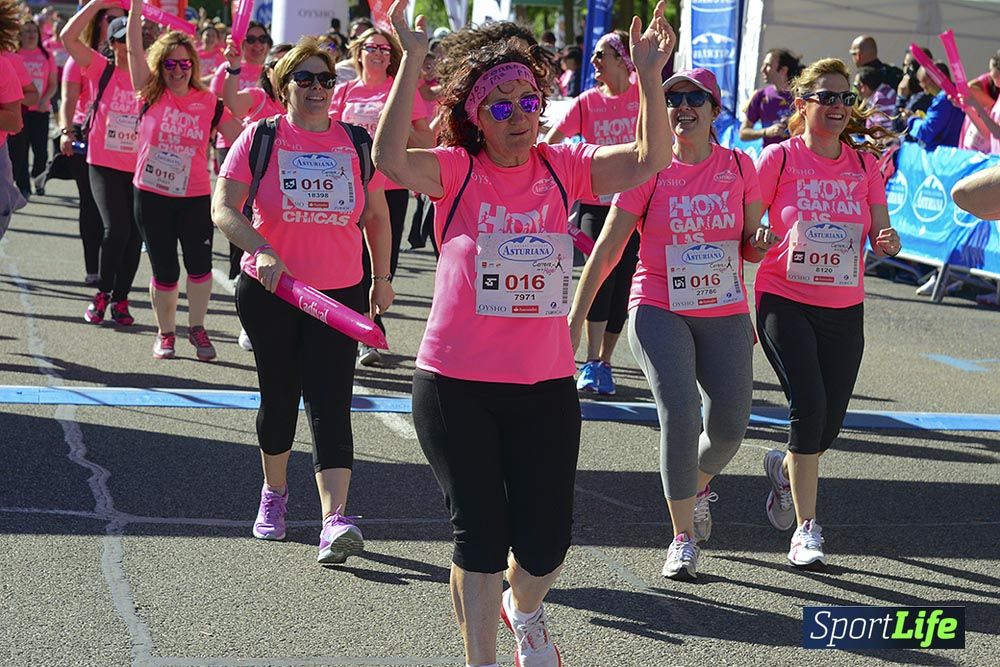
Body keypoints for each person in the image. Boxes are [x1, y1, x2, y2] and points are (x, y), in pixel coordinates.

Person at [374, 2, 675, 665]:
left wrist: (649, 76)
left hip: (543, 385)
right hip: (455, 383)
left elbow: (651, 156)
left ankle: (525, 607)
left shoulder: (562, 166)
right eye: (501, 106)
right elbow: (389, 157)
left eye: (528, 102)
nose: (518, 116)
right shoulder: (457, 170)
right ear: (476, 117)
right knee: (480, 539)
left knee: (545, 544)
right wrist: (413, 59)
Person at [570, 67, 776, 580]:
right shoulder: (650, 170)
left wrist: (761, 242)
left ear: (714, 109)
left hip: (723, 305)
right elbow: (608, 247)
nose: (683, 107)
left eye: (694, 98)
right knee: (680, 413)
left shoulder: (739, 165)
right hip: (657, 303)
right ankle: (682, 536)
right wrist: (574, 319)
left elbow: (750, 245)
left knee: (729, 426)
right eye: (673, 99)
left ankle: (696, 483)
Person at [213, 37, 394, 564]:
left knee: (332, 400)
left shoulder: (355, 141)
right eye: (306, 78)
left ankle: (334, 520)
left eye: (326, 79)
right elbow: (223, 208)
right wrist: (262, 249)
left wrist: (382, 278)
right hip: (273, 291)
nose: (318, 88)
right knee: (280, 395)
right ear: (283, 84)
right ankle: (274, 492)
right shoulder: (261, 136)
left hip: (339, 293)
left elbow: (376, 216)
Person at [754, 57, 900, 569]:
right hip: (784, 298)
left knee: (828, 424)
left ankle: (784, 469)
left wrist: (888, 241)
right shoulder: (779, 158)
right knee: (809, 404)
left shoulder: (864, 165)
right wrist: (757, 238)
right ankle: (806, 529)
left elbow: (881, 232)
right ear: (803, 103)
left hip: (843, 305)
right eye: (827, 97)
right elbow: (747, 226)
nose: (838, 106)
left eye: (845, 97)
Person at [125, 0, 242, 360]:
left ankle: (197, 328)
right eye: (170, 64)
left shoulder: (208, 101)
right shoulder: (149, 92)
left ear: (193, 65)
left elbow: (240, 140)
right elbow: (133, 50)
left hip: (194, 196)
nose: (177, 70)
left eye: (184, 64)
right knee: (165, 269)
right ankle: (165, 334)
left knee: (200, 267)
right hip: (151, 195)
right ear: (160, 66)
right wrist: (135, 9)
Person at [545, 29, 643, 396]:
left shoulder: (642, 98)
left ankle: (605, 360)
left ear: (622, 59)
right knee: (599, 275)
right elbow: (551, 142)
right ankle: (590, 360)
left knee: (622, 284)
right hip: (594, 205)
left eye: (602, 54)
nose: (594, 61)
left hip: (634, 206)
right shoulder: (587, 102)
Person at [330, 25, 434, 367]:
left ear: (392, 58)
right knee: (350, 259)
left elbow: (426, 140)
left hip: (390, 186)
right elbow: (327, 134)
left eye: (384, 49)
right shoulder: (344, 91)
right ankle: (364, 329)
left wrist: (394, 128)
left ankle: (369, 323)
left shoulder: (401, 90)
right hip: (346, 188)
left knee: (381, 264)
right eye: (371, 48)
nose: (377, 53)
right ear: (358, 54)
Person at [62, 6, 142, 327]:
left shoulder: (148, 75)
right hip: (103, 164)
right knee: (117, 228)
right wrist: (95, 4)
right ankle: (103, 293)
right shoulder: (100, 68)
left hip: (139, 169)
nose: (128, 46)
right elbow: (68, 38)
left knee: (134, 237)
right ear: (112, 43)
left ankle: (121, 298)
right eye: (122, 40)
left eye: (133, 39)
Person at [54, 1, 123, 285]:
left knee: (121, 214)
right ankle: (93, 268)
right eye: (110, 18)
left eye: (124, 18)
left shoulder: (133, 62)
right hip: (87, 138)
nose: (117, 23)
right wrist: (66, 131)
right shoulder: (81, 59)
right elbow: (68, 99)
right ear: (98, 20)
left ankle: (114, 269)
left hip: (125, 145)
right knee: (91, 205)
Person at [9, 19, 55, 198]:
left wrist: (45, 99)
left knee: (41, 151)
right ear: (20, 35)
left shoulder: (46, 56)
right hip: (20, 110)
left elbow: (53, 84)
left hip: (40, 110)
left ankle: (38, 178)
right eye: (27, 31)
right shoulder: (15, 55)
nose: (31, 34)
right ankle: (24, 187)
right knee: (20, 151)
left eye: (34, 31)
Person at [740, 49, 800, 145]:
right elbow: (743, 133)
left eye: (768, 65)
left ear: (783, 70)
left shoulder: (802, 96)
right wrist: (766, 132)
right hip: (770, 153)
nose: (762, 69)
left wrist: (793, 126)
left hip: (797, 153)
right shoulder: (760, 95)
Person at [905, 62, 964, 150]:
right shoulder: (959, 92)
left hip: (948, 152)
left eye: (922, 82)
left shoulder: (943, 99)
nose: (923, 88)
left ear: (930, 79)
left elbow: (926, 131)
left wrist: (912, 119)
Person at [854, 65, 894, 131]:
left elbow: (881, 131)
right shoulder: (882, 92)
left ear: (864, 86)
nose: (856, 90)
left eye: (856, 86)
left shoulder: (881, 98)